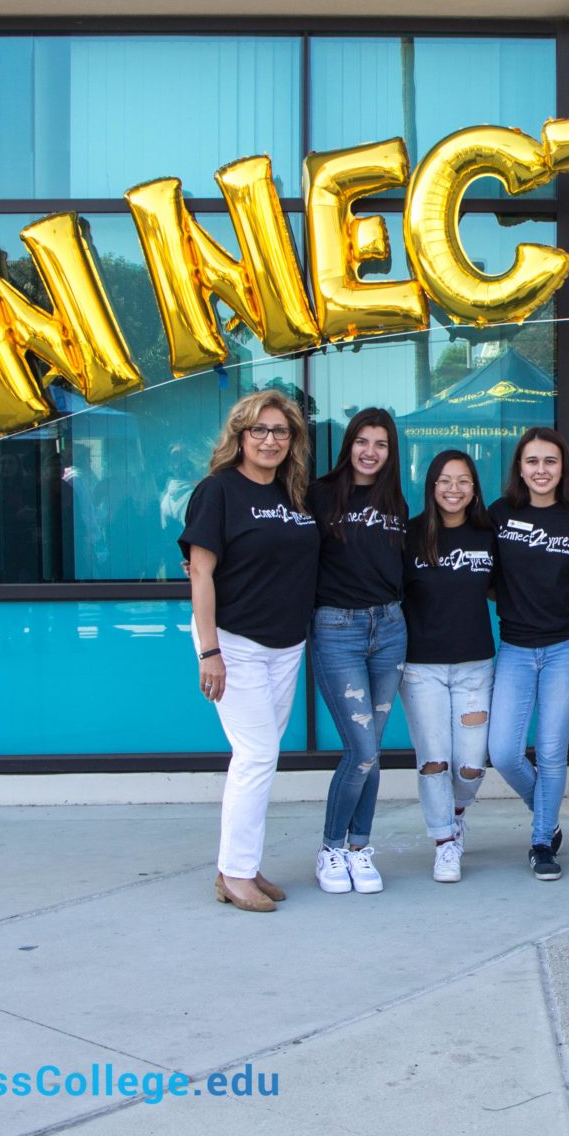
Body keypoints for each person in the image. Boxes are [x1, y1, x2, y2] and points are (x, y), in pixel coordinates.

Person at [181, 389, 320, 914]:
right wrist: (209, 651)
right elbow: (200, 572)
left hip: (285, 644)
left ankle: (239, 865)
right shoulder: (218, 491)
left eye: (280, 431)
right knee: (257, 755)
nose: (269, 439)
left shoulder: (293, 494)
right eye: (259, 430)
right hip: (233, 642)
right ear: (239, 436)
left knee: (260, 757)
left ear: (293, 441)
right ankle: (236, 874)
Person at [489, 428, 569, 881]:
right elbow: (486, 577)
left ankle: (541, 842)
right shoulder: (499, 515)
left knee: (552, 752)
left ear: (563, 468)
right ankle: (547, 812)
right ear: (520, 467)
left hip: (567, 647)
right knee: (504, 752)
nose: (541, 470)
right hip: (515, 647)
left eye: (550, 461)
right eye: (532, 461)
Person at [307, 408, 409, 896]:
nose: (370, 452)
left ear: (391, 452)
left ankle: (358, 849)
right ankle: (331, 847)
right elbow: (284, 550)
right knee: (362, 750)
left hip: (390, 629)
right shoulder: (319, 495)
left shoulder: (396, 501)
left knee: (374, 752)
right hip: (338, 630)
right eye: (362, 441)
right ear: (348, 444)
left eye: (381, 444)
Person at [400, 450, 498, 884]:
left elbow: (510, 587)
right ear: (431, 485)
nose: (453, 489)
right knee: (434, 760)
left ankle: (455, 814)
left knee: (471, 765)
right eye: (444, 480)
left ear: (474, 488)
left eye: (462, 481)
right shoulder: (411, 535)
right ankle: (444, 843)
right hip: (422, 669)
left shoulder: (488, 534)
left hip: (476, 665)